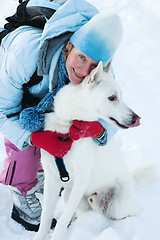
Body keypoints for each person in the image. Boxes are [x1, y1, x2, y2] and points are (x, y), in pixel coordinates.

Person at [0, 0, 123, 232]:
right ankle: (23, 191)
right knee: (28, 145)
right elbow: (2, 112)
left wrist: (97, 129)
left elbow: (111, 109)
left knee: (64, 134)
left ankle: (45, 175)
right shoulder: (24, 54)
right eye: (82, 57)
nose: (85, 71)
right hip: (19, 88)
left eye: (94, 65)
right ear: (69, 46)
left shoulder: (101, 67)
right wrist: (35, 138)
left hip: (56, 94)